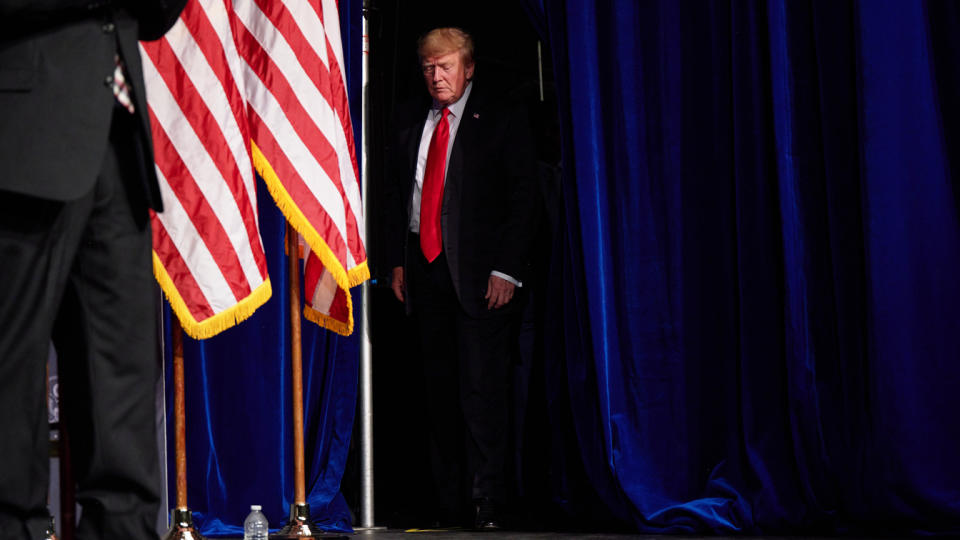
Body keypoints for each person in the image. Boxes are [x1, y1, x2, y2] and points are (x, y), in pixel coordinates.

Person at [0, 2, 186, 538]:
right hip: (22, 137)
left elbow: (154, 16)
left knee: (122, 373)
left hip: (115, 141)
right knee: (11, 374)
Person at [383, 27, 539, 530]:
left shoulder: (499, 118)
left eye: (445, 66)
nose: (436, 76)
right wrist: (398, 260)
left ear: (468, 68)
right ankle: (446, 502)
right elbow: (398, 198)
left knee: (481, 391)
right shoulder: (410, 118)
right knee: (435, 392)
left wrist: (507, 269)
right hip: (424, 271)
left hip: (480, 277)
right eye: (428, 68)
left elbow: (522, 199)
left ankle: (486, 500)